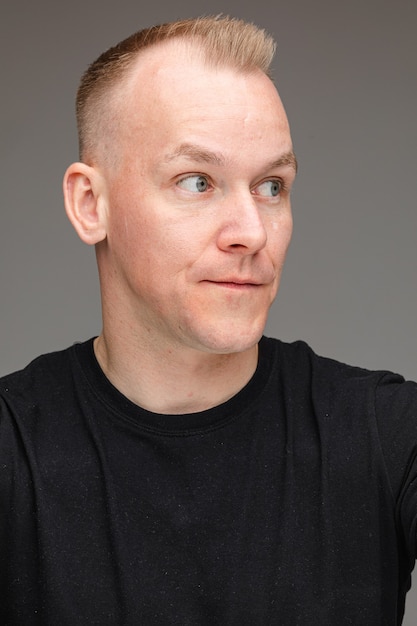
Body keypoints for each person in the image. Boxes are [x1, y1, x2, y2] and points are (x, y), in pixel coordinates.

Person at [0, 14, 416, 626]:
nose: (252, 232)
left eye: (272, 185)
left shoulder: (386, 434)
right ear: (92, 204)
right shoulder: (13, 450)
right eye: (198, 182)